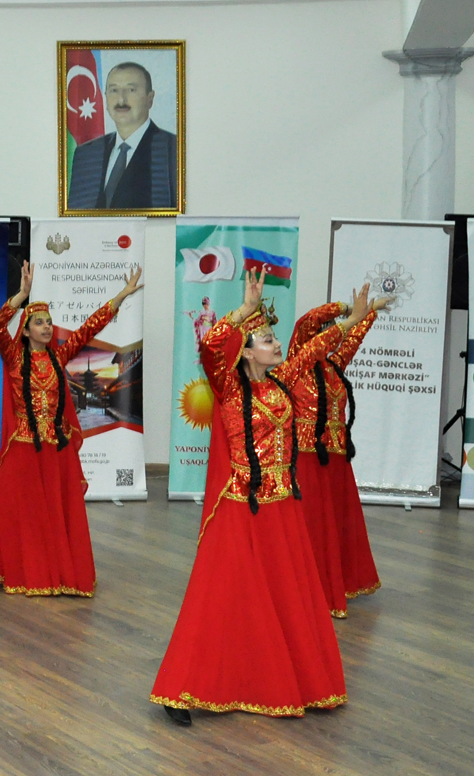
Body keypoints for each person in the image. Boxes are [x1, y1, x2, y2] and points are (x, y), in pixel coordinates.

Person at [150, 270, 375, 725]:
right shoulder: (229, 388)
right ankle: (181, 688)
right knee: (218, 595)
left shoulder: (282, 381)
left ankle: (289, 680)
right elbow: (211, 347)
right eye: (267, 340)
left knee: (285, 596)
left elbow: (314, 348)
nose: (276, 344)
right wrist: (244, 311)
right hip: (240, 505)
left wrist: (352, 321)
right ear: (248, 352)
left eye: (274, 337)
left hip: (282, 506)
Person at [0, 262, 143, 598]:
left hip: (54, 448)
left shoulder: (59, 357)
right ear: (25, 330)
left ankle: (52, 570)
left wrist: (122, 295)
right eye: (38, 322)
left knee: (52, 511)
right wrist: (21, 295)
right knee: (3, 509)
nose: (46, 327)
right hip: (23, 445)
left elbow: (88, 328)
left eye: (49, 322)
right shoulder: (14, 357)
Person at [287, 287, 390, 616]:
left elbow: (354, 338)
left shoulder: (333, 365)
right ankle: (312, 588)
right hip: (307, 457)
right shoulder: (296, 366)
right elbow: (309, 322)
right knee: (314, 523)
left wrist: (371, 311)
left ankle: (337, 581)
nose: (331, 337)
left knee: (337, 523)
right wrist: (344, 309)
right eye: (325, 332)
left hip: (336, 459)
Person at [64, 61, 179, 210]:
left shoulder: (174, 150)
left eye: (131, 90)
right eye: (114, 90)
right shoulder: (86, 154)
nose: (121, 100)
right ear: (105, 97)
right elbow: (76, 216)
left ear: (150, 98)